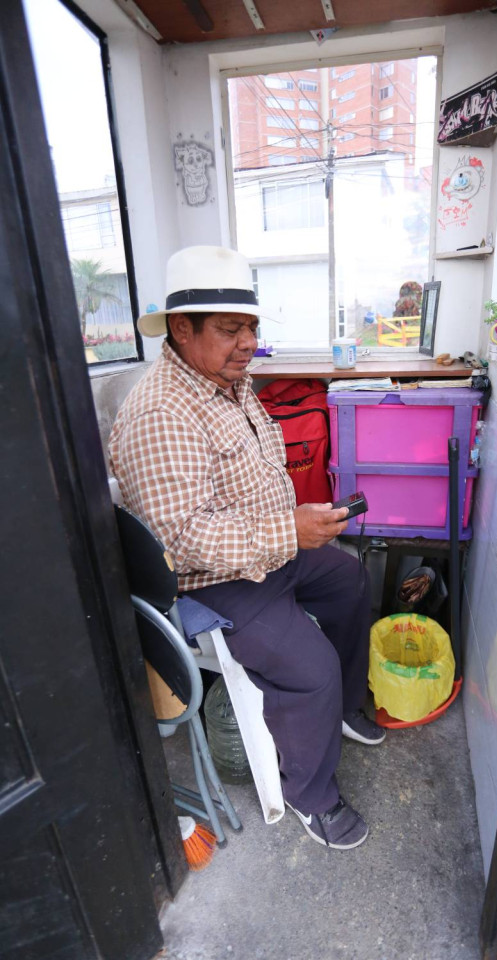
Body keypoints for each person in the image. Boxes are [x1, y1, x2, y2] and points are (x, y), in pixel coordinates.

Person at [109, 245, 385, 850]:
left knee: (349, 581)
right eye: (231, 329)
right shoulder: (161, 412)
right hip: (211, 581)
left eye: (252, 328)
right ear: (182, 329)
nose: (247, 343)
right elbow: (182, 541)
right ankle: (310, 795)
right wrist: (289, 530)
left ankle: (340, 703)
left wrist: (295, 526)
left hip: (271, 548)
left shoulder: (230, 381)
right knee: (307, 667)